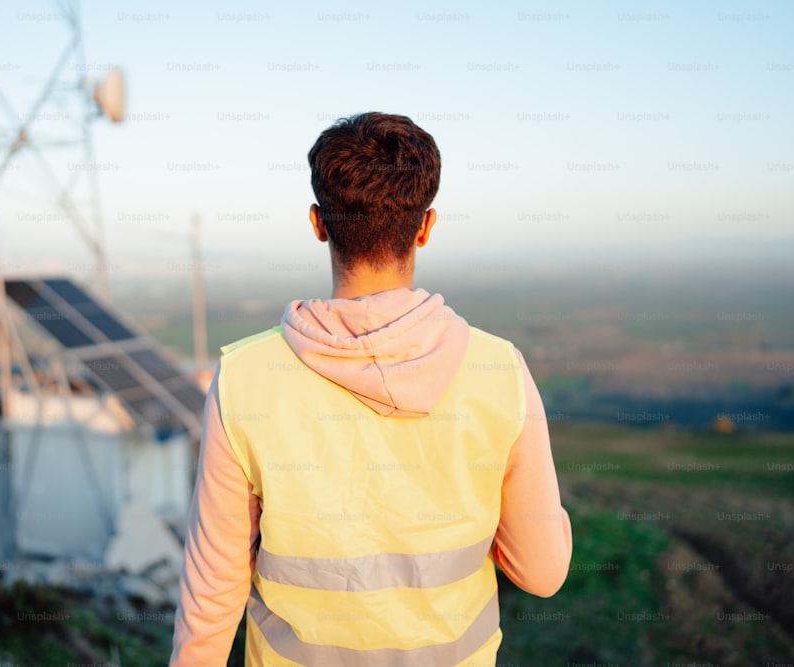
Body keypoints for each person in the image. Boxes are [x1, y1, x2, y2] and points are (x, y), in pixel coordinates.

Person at [169, 112, 573, 666]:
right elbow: (543, 573)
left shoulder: (243, 378)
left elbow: (212, 593)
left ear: (318, 223)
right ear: (425, 226)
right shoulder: (499, 370)